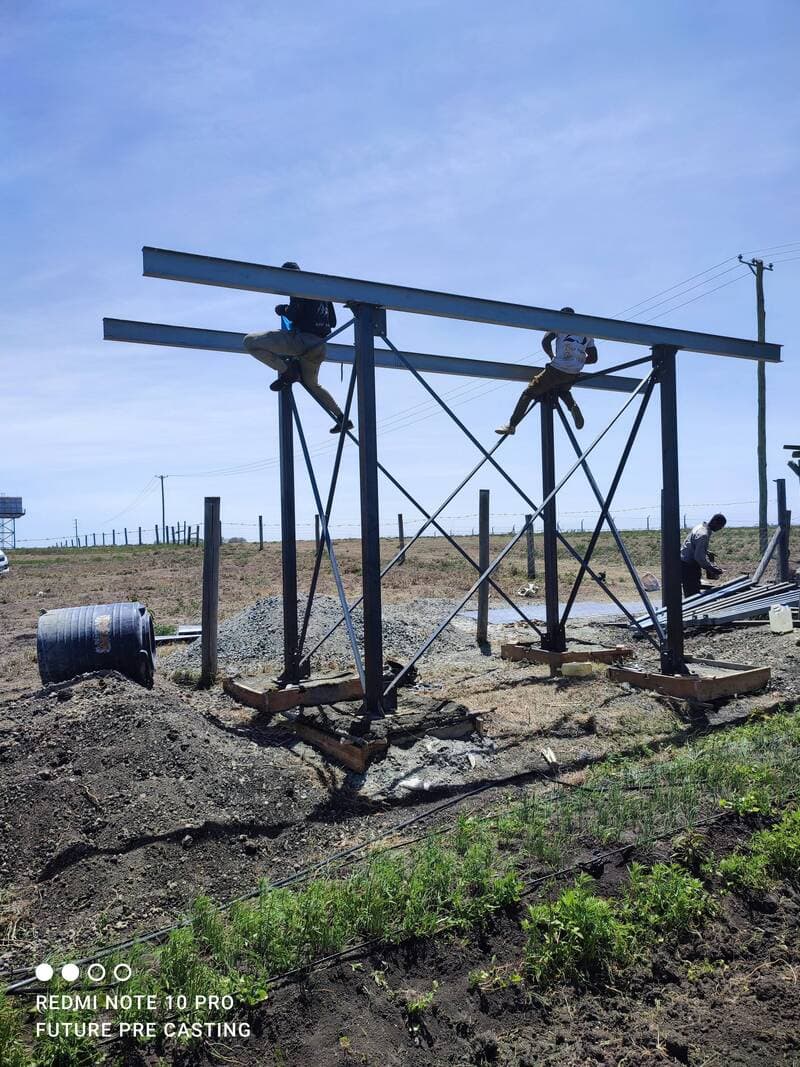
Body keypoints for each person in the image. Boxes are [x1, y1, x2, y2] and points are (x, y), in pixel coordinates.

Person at [243, 262, 352, 434]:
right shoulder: (323, 292)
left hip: (302, 342)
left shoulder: (298, 285)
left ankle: (287, 371)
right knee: (312, 385)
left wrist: (282, 309)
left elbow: (293, 314)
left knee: (250, 342)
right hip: (319, 347)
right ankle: (342, 417)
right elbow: (332, 322)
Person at [495, 308, 598, 435]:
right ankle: (572, 406)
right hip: (574, 373)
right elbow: (593, 358)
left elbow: (545, 341)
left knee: (529, 393)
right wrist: (577, 361)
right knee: (561, 389)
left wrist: (552, 356)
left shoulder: (559, 324)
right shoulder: (586, 332)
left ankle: (511, 425)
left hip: (557, 369)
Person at [680, 513, 726, 596]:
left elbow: (693, 545)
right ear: (715, 522)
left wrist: (706, 551)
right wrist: (712, 568)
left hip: (684, 562)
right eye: (720, 526)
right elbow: (699, 557)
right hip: (689, 566)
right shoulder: (703, 534)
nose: (720, 528)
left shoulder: (700, 527)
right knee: (692, 594)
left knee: (690, 589)